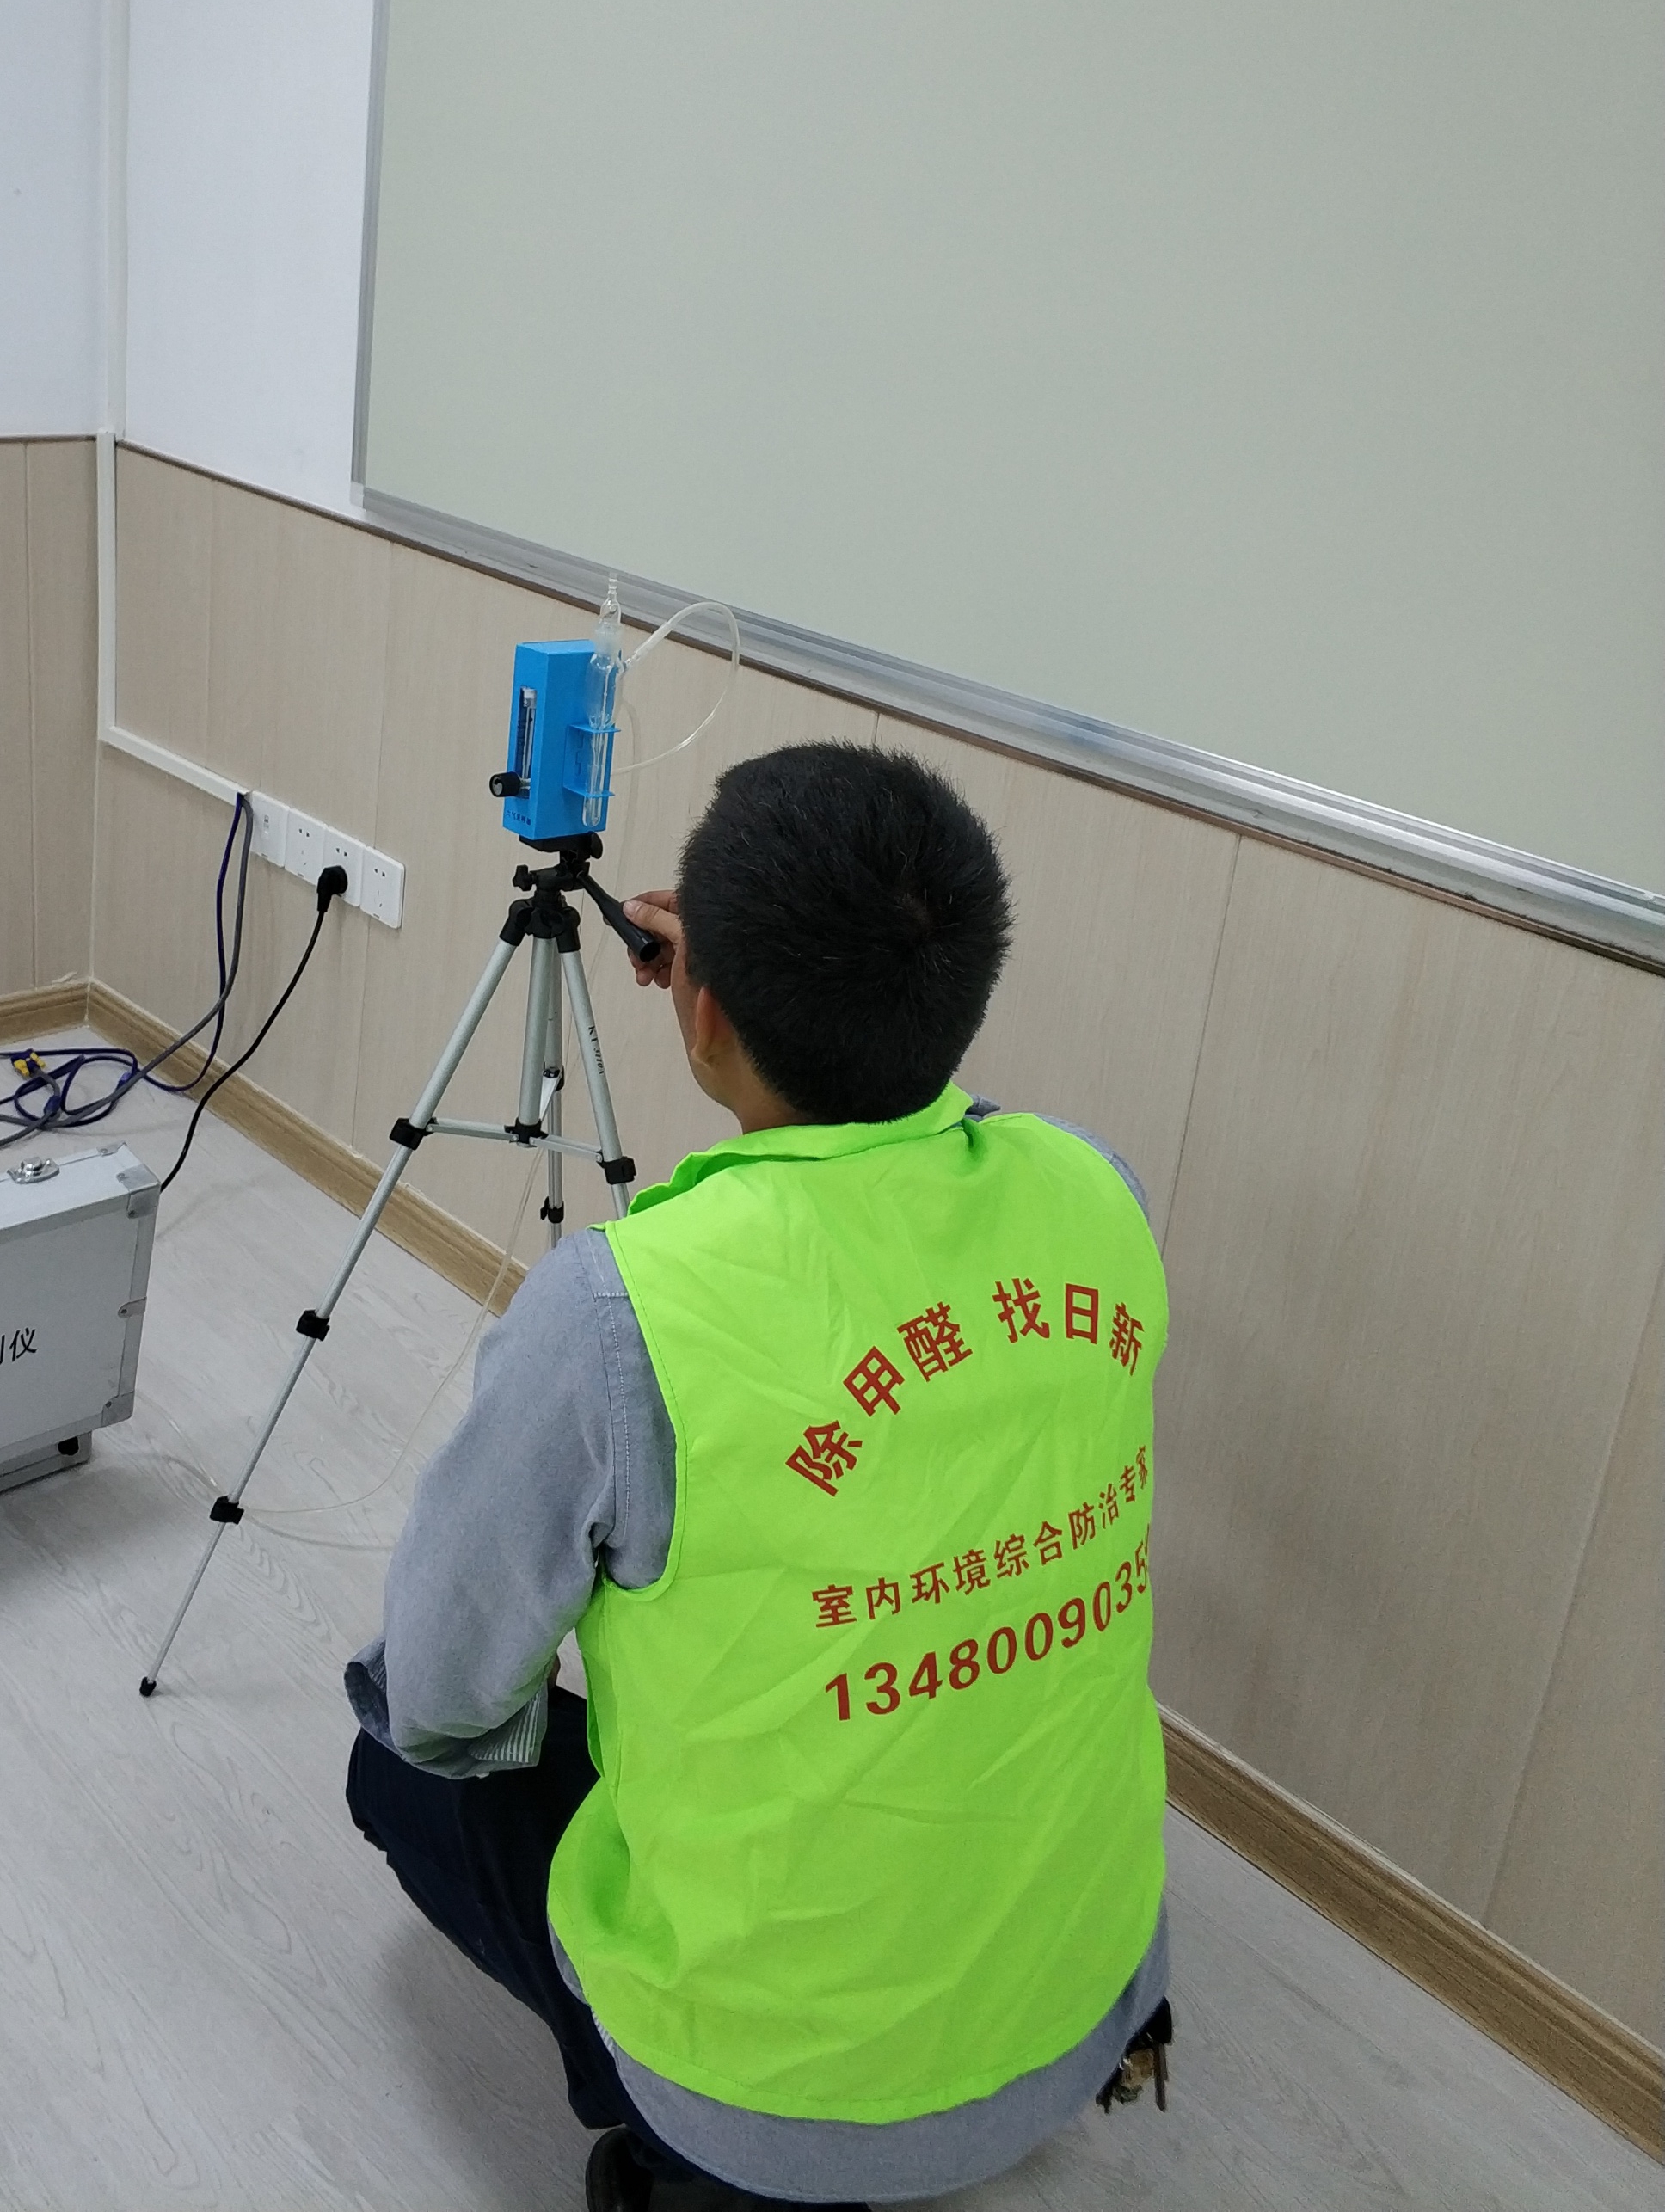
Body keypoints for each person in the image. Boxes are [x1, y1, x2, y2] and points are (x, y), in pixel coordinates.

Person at [345, 741, 1170, 2209]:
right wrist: (757, 988)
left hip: (777, 2097)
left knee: (393, 1754)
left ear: (704, 1007)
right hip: (1090, 1989)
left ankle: (699, 2158)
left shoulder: (621, 1315)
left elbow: (440, 1692)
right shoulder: (1096, 1191)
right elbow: (930, 1124)